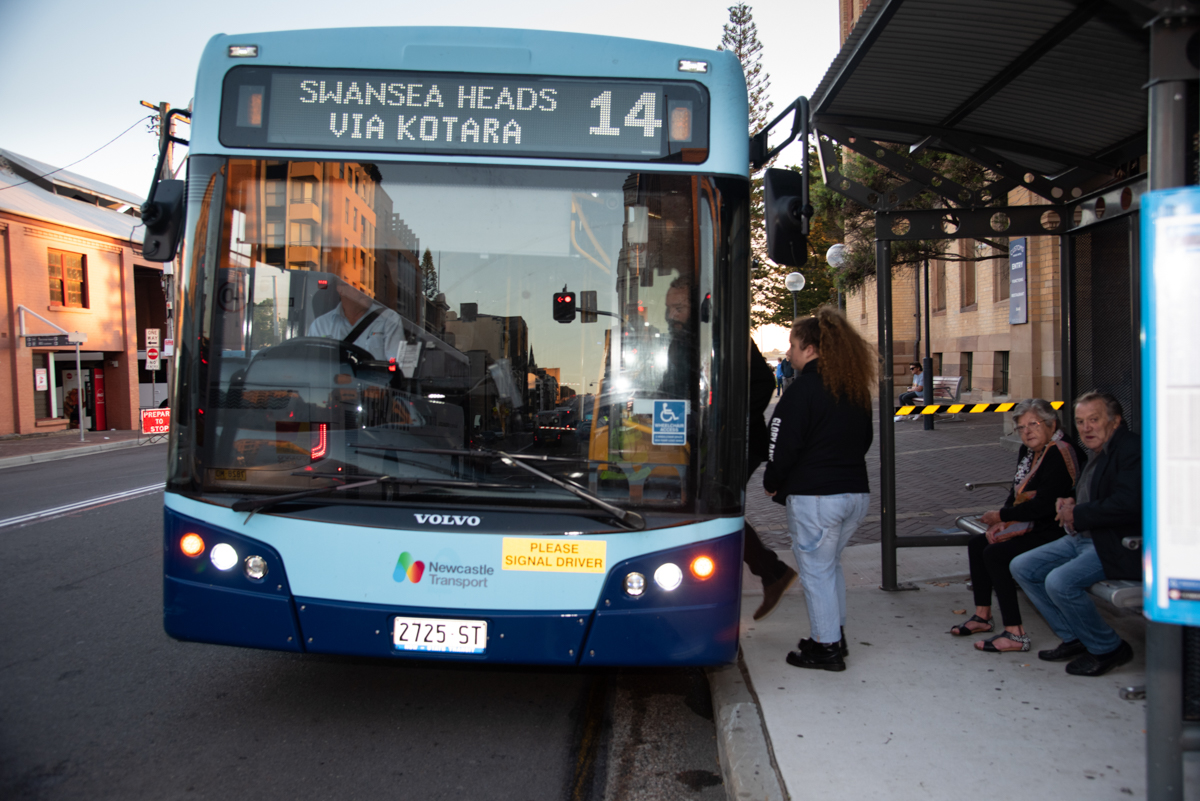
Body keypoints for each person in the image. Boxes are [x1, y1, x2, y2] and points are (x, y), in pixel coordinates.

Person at [763, 306, 876, 672]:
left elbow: (781, 444)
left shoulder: (801, 391)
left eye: (793, 345)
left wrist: (772, 481)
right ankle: (834, 634)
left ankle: (825, 648)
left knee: (816, 571)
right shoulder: (853, 390)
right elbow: (864, 440)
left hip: (817, 499)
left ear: (810, 349)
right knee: (829, 567)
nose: (790, 353)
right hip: (855, 495)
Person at [1010, 391, 1141, 676]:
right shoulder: (1100, 451)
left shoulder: (1131, 450)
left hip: (1116, 542)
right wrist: (1071, 503)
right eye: (1081, 421)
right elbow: (1095, 496)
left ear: (1115, 421)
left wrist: (1077, 513)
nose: (1086, 428)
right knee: (1022, 565)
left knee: (1060, 582)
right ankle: (1075, 637)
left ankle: (1108, 648)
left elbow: (1128, 504)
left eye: (1094, 420)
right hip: (1085, 536)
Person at [948, 399, 1081, 653]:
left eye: (1033, 424)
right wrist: (1003, 521)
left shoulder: (1060, 452)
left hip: (1055, 528)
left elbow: (1044, 506)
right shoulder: (1030, 451)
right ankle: (982, 616)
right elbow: (1016, 493)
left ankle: (1015, 633)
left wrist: (1001, 516)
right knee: (979, 543)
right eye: (1021, 427)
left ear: (1052, 424)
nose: (1027, 432)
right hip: (1032, 523)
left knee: (996, 554)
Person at [748, 341, 798, 619]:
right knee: (710, 508)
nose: (673, 313)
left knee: (715, 507)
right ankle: (772, 572)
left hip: (735, 440)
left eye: (679, 307)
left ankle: (773, 572)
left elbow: (762, 382)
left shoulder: (727, 331)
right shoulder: (680, 335)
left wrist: (725, 421)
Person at [308, 279, 404, 362]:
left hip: (375, 382)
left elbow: (397, 367)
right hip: (332, 382)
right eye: (357, 284)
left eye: (368, 284)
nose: (364, 288)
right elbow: (314, 366)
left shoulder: (389, 319)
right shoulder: (320, 325)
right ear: (340, 289)